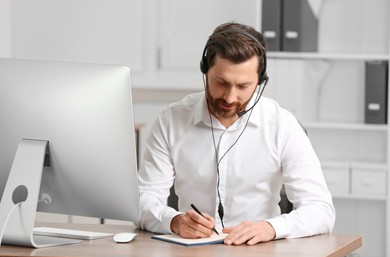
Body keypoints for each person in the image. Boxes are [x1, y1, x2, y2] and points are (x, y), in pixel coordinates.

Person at [137, 22, 335, 245]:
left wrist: (271, 227)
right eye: (222, 83)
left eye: (243, 86)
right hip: (192, 253)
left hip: (260, 251)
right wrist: (174, 221)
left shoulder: (283, 125)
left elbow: (321, 210)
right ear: (205, 71)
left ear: (260, 81)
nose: (230, 98)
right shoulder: (170, 120)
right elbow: (143, 199)